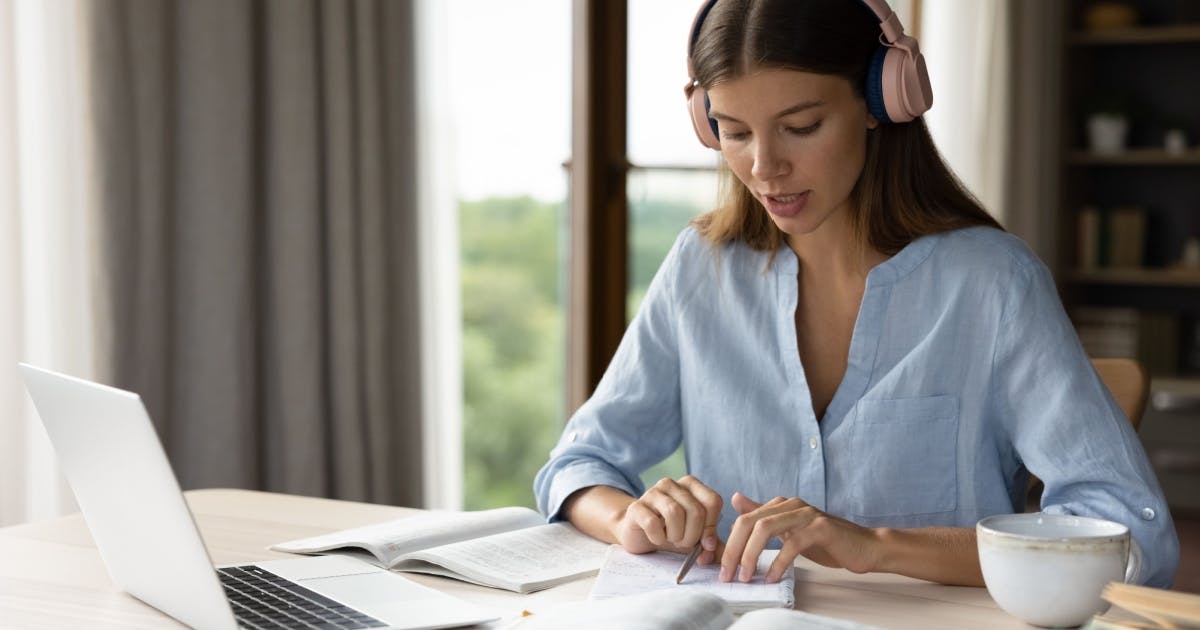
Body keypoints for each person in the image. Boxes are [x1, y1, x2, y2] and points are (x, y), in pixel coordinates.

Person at [534, 0, 1180, 588]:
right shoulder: (700, 269)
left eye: (802, 125)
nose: (764, 167)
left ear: (882, 100)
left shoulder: (991, 282)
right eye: (734, 131)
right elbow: (580, 464)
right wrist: (634, 520)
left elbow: (1130, 531)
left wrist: (875, 545)